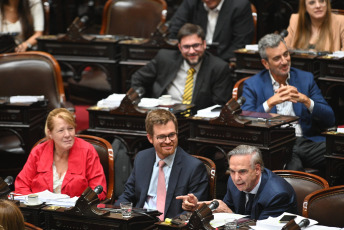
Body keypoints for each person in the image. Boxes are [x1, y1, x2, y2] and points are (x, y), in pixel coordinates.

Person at [241, 33, 335, 172]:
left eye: (286, 54)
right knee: (293, 169)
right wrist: (270, 103)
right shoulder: (253, 84)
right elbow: (245, 119)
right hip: (277, 145)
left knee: (337, 153)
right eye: (277, 58)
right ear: (265, 63)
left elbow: (330, 119)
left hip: (306, 142)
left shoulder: (305, 79)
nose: (284, 61)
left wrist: (305, 100)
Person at [115, 109, 208, 220]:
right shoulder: (142, 158)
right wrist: (114, 215)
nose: (168, 141)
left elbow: (195, 211)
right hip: (139, 222)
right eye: (162, 137)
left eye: (172, 135)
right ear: (150, 138)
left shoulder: (194, 167)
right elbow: (128, 195)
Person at [177, 145, 297, 220]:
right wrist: (199, 207)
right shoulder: (233, 182)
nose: (236, 178)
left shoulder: (277, 195)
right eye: (232, 171)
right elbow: (224, 211)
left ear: (257, 169)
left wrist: (229, 214)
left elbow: (261, 228)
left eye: (242, 172)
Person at [131, 23, 232, 111]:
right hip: (163, 114)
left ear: (204, 45)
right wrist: (142, 99)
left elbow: (218, 105)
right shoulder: (165, 58)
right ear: (180, 47)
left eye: (196, 45)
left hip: (194, 120)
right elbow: (138, 78)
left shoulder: (219, 68)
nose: (192, 51)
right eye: (186, 47)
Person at [15, 108, 107, 200]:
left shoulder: (87, 151)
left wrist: (81, 204)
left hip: (75, 212)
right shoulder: (38, 151)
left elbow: (98, 190)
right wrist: (33, 202)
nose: (67, 134)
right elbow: (21, 185)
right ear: (50, 133)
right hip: (41, 210)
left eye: (70, 129)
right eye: (61, 130)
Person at [168, 0, 254, 61]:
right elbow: (175, 30)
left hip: (223, 60)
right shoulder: (192, 2)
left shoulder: (240, 5)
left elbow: (241, 43)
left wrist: (213, 62)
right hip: (193, 57)